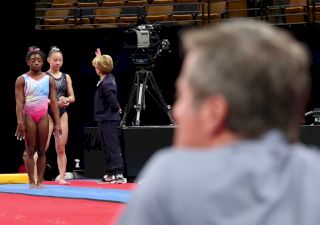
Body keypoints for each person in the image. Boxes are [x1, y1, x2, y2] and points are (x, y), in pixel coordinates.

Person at [116, 20, 320, 225]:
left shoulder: (170, 177)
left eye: (182, 97)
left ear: (215, 112)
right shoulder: (313, 173)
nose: (176, 112)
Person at [15, 46, 62, 188]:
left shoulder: (49, 80)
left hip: (43, 115)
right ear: (28, 62)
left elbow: (54, 102)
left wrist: (58, 122)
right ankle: (31, 181)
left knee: (42, 150)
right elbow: (19, 103)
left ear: (43, 63)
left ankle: (40, 180)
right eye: (33, 60)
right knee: (30, 150)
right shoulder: (21, 79)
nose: (36, 62)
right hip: (29, 115)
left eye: (39, 60)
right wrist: (20, 121)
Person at [92, 48, 126, 184]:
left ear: (99, 69)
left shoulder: (107, 83)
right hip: (103, 118)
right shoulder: (106, 79)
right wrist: (100, 59)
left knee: (112, 146)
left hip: (109, 119)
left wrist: (117, 107)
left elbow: (112, 98)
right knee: (106, 146)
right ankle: (110, 172)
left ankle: (118, 173)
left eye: (97, 67)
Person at [45, 45, 75, 185]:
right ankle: (35, 177)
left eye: (60, 60)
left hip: (62, 113)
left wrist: (66, 100)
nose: (57, 63)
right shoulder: (44, 76)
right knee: (43, 147)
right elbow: (40, 97)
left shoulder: (66, 76)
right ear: (48, 60)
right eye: (55, 60)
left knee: (61, 147)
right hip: (47, 113)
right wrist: (55, 102)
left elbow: (72, 96)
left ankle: (62, 177)